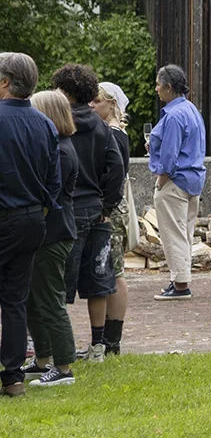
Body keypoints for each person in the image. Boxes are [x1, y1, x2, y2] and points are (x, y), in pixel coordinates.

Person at [51, 64, 124, 362]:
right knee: (98, 280)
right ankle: (97, 346)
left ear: (66, 92)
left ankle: (59, 345)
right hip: (97, 213)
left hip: (67, 212)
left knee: (57, 283)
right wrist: (107, 205)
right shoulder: (101, 127)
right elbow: (116, 168)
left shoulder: (56, 125)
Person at [0, 53, 57, 397]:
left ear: (5, 82)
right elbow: (55, 181)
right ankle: (13, 376)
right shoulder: (45, 124)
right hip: (32, 220)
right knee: (15, 300)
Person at [23, 91, 79, 386]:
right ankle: (42, 359)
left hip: (53, 233)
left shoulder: (60, 151)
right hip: (47, 232)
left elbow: (48, 194)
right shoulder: (57, 146)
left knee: (50, 300)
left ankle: (64, 366)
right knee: (34, 298)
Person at [149, 65, 207, 301]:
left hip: (175, 180)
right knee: (185, 232)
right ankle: (181, 280)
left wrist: (161, 178)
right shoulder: (191, 109)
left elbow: (170, 155)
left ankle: (181, 284)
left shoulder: (173, 115)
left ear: (168, 87)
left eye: (158, 84)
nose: (156, 89)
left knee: (173, 233)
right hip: (193, 178)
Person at [91, 81, 132, 355]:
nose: (92, 106)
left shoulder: (113, 135)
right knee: (110, 270)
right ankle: (106, 337)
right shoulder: (112, 133)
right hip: (112, 207)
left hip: (112, 210)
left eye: (97, 101)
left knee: (114, 271)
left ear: (112, 104)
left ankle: (112, 339)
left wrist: (106, 207)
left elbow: (115, 175)